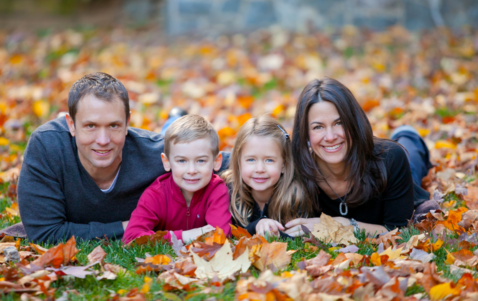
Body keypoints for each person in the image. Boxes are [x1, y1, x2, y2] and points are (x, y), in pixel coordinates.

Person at [18, 72, 229, 244]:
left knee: (174, 140)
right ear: (71, 125)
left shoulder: (158, 156)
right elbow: (45, 234)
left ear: (127, 123)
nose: (102, 140)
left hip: (159, 142)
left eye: (114, 125)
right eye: (90, 126)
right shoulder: (47, 148)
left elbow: (236, 162)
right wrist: (126, 227)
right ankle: (173, 121)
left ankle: (175, 122)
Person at [285, 78, 415, 236]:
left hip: (402, 174)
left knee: (414, 162)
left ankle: (408, 135)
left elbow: (399, 231)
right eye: (318, 127)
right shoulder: (294, 170)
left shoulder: (391, 159)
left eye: (339, 123)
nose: (331, 136)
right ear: (305, 132)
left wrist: (343, 225)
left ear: (354, 123)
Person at [122, 115, 232, 244]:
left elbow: (221, 235)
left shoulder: (216, 189)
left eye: (201, 160)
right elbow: (131, 238)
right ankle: (173, 117)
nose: (191, 171)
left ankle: (177, 116)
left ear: (217, 161)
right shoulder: (156, 194)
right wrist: (184, 236)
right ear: (166, 162)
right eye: (182, 161)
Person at [223, 115, 311, 237]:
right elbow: (230, 231)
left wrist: (275, 231)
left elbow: (297, 234)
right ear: (239, 163)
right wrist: (256, 225)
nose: (260, 169)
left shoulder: (296, 196)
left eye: (269, 160)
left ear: (284, 165)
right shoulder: (229, 191)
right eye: (251, 160)